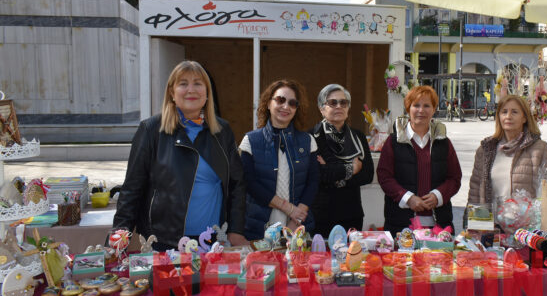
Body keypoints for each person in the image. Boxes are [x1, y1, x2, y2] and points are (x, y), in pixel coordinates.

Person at [113, 61, 247, 250]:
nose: (191, 90)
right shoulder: (151, 130)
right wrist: (118, 237)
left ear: (207, 93)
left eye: (198, 83)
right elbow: (132, 189)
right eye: (183, 84)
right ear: (171, 92)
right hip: (165, 241)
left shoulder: (222, 130)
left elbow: (237, 184)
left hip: (212, 240)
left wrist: (236, 229)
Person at [377, 86, 462, 236]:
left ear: (434, 109)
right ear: (408, 108)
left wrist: (438, 195)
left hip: (439, 225)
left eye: (427, 106)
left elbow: (454, 178)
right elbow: (384, 177)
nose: (421, 110)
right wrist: (407, 198)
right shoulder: (393, 142)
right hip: (401, 224)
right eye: (416, 105)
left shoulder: (444, 143)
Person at [240, 79, 319, 240]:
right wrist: (289, 209)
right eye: (280, 100)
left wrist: (296, 219)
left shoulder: (308, 141)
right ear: (268, 103)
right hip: (258, 229)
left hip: (297, 229)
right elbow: (249, 183)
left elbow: (313, 182)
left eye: (292, 103)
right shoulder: (250, 141)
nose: (286, 106)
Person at [468, 95, 547, 218]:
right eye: (504, 112)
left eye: (514, 112)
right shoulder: (485, 150)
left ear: (524, 118)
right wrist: (473, 223)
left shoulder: (540, 149)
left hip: (527, 227)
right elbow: (475, 191)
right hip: (491, 225)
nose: (508, 116)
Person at [311, 84, 373, 237]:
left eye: (343, 102)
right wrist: (352, 169)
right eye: (332, 103)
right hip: (322, 215)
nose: (339, 106)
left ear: (348, 107)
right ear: (321, 108)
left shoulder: (358, 137)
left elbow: (367, 175)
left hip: (352, 213)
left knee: (352, 253)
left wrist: (335, 174)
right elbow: (320, 174)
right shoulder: (313, 136)